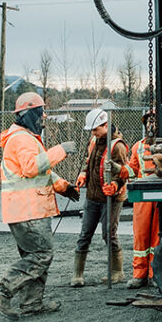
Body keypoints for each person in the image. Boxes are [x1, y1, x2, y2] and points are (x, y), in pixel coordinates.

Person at [0, 92, 79, 318]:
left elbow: (40, 171)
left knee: (34, 256)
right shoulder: (21, 139)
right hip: (29, 211)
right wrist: (61, 150)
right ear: (29, 114)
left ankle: (31, 304)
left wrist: (63, 187)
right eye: (41, 112)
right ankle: (1, 291)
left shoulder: (24, 137)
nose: (44, 116)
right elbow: (31, 167)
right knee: (41, 255)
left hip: (24, 210)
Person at [70, 107, 130, 286]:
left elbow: (124, 172)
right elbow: (90, 162)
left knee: (109, 234)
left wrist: (116, 185)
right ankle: (77, 275)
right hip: (93, 196)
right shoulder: (94, 142)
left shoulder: (117, 146)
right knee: (84, 235)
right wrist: (83, 174)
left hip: (111, 199)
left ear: (106, 125)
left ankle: (117, 271)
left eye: (96, 129)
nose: (94, 133)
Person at [126, 109, 160, 289]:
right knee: (140, 237)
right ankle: (139, 275)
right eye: (148, 122)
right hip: (143, 197)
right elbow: (131, 169)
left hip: (160, 194)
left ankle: (155, 274)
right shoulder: (137, 147)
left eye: (153, 121)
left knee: (157, 237)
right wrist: (118, 170)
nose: (150, 125)